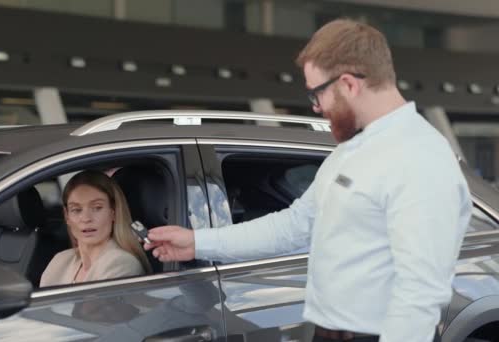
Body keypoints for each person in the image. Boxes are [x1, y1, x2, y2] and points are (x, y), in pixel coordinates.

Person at [144, 18, 472, 342]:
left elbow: (420, 294)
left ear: (348, 85)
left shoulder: (420, 157)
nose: (316, 107)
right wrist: (197, 242)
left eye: (316, 94)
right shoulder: (349, 153)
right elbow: (294, 226)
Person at [40, 170, 151, 287]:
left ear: (113, 212)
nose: (86, 218)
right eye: (76, 210)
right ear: (67, 216)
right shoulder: (60, 261)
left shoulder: (123, 263)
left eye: (97, 208)